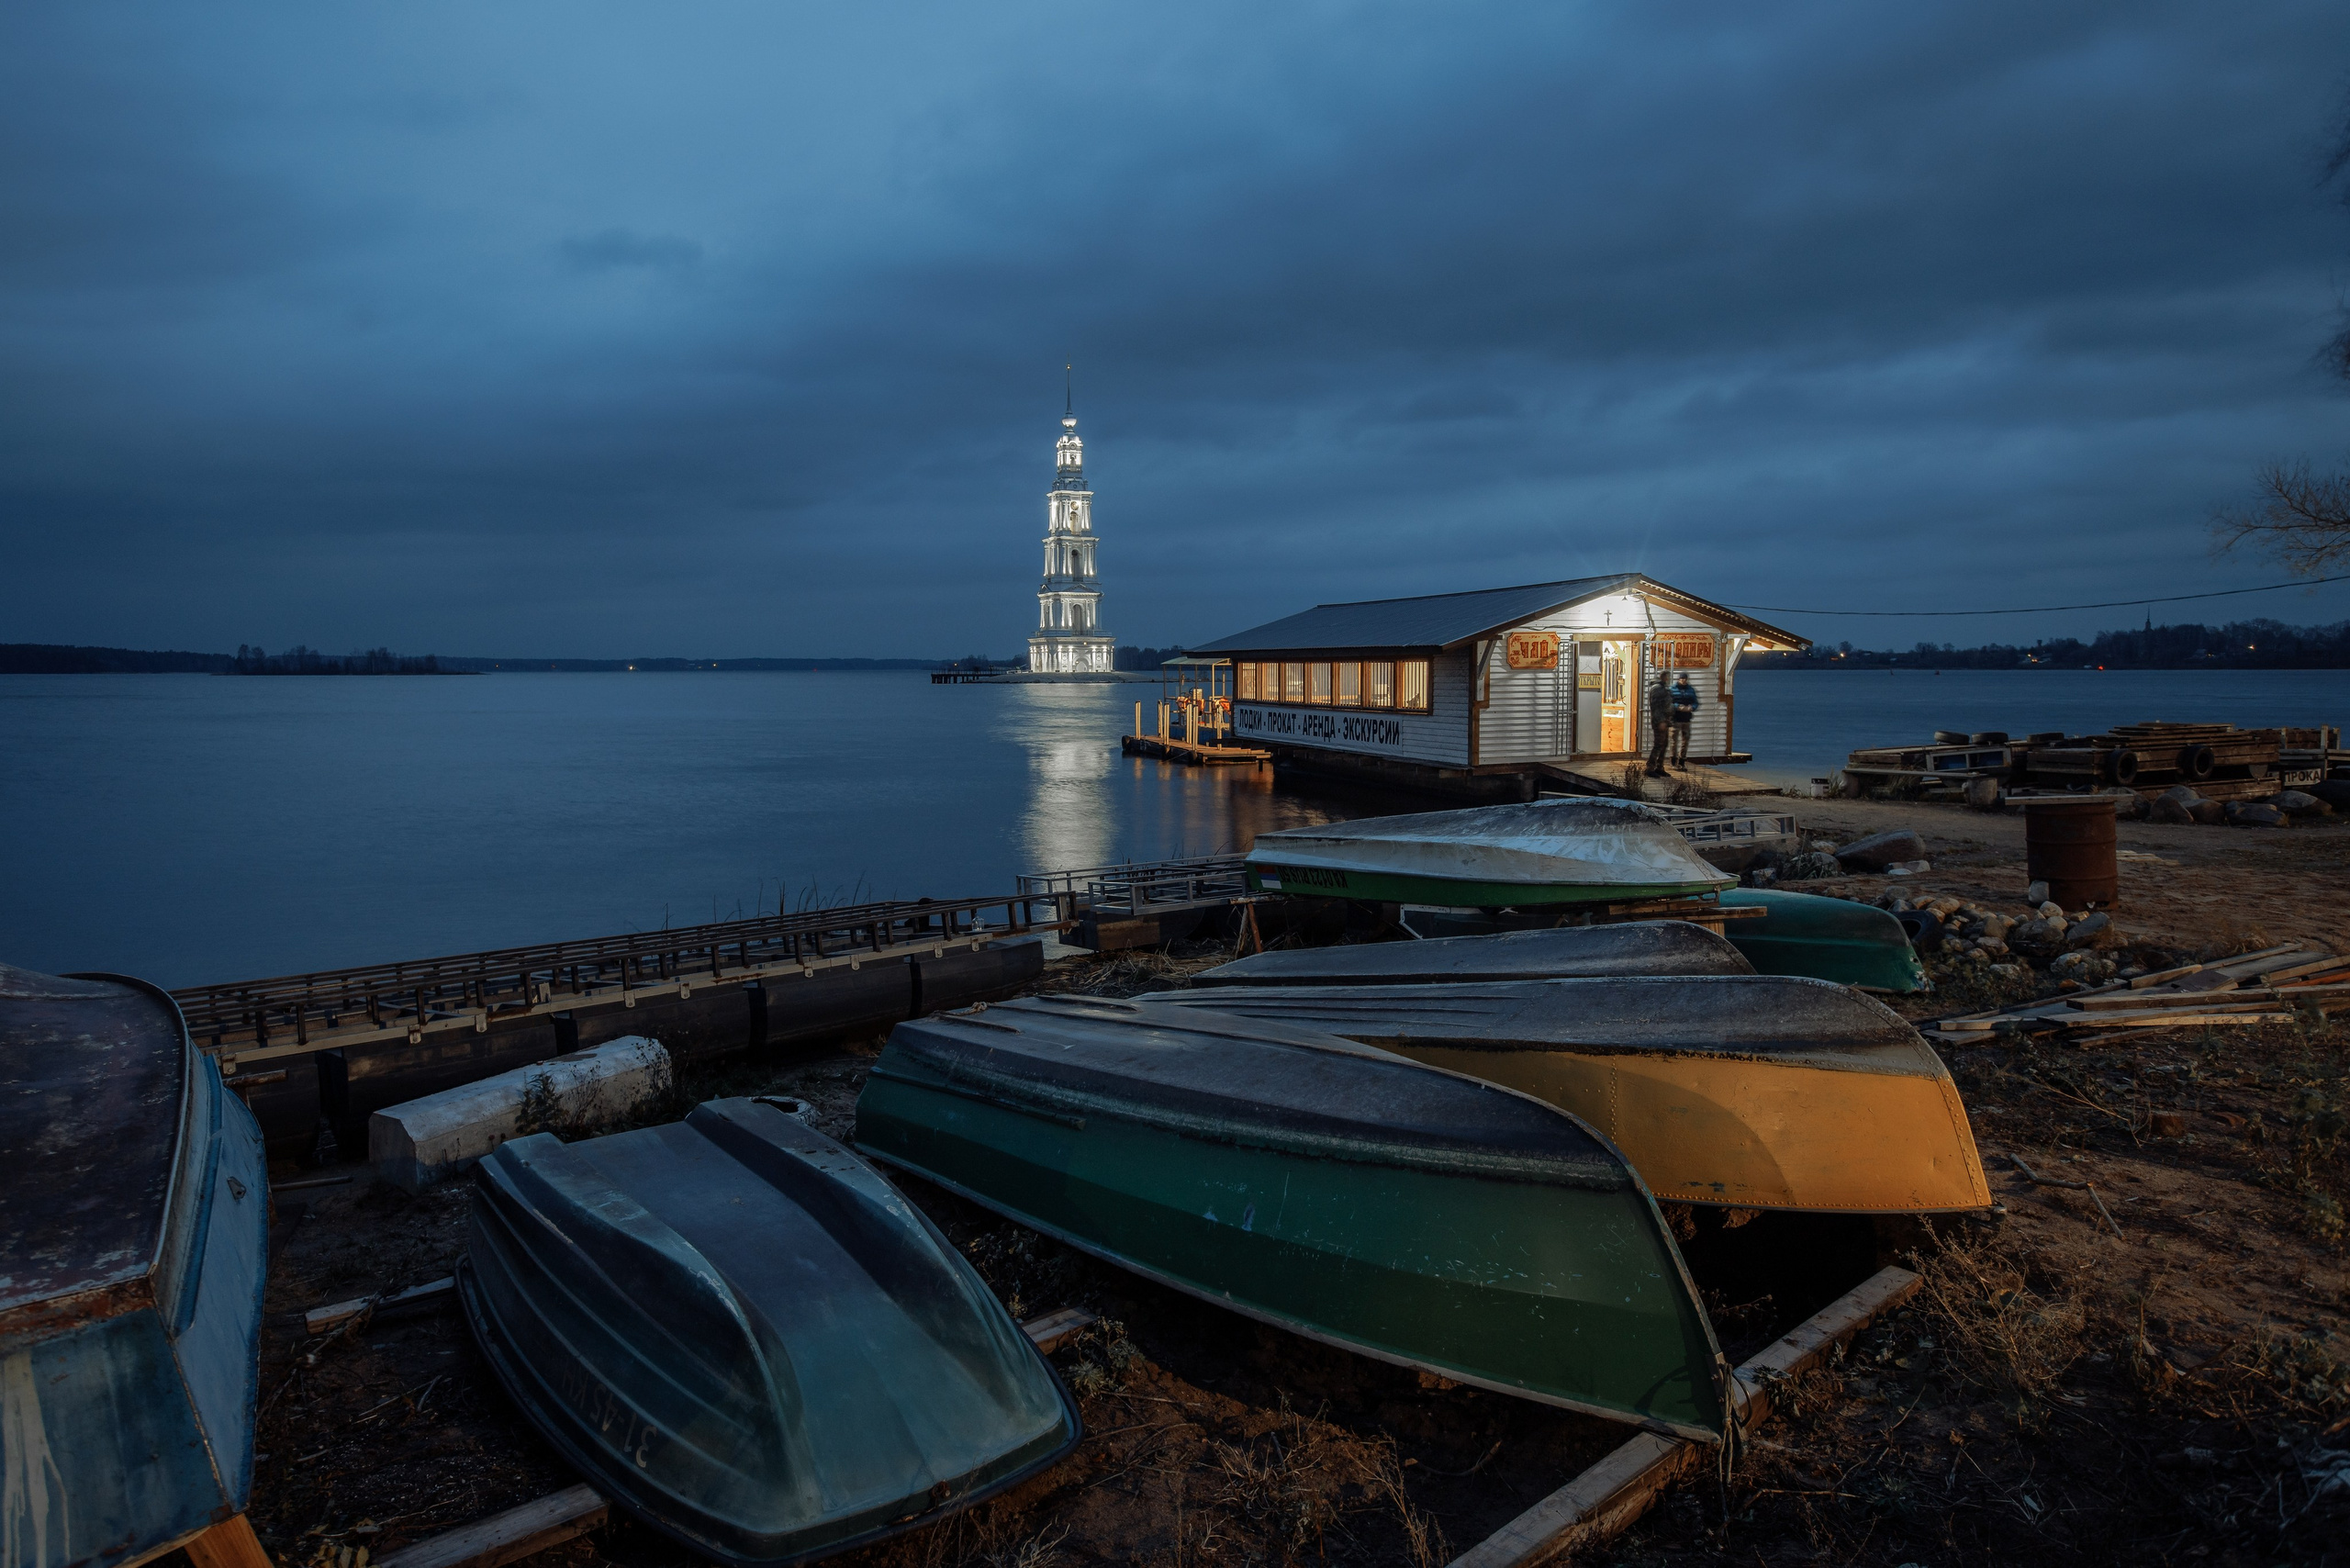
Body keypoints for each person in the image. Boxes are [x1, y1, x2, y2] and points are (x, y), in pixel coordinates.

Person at [1644, 671, 1674, 777]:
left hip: (1665, 721)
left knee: (1664, 744)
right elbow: (1656, 706)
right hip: (1659, 722)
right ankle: (1650, 768)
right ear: (1664, 677)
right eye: (1668, 677)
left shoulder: (1662, 688)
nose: (1669, 679)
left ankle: (1659, 767)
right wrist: (1661, 721)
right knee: (1658, 745)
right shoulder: (1657, 688)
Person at [1669, 670, 1699, 767]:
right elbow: (1669, 703)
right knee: (1674, 741)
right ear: (1679, 679)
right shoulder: (1672, 689)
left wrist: (1692, 707)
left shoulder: (1691, 690)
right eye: (1682, 679)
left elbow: (1695, 702)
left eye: (1685, 679)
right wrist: (1678, 707)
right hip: (1675, 719)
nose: (1683, 680)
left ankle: (1682, 760)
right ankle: (1673, 760)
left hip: (1686, 719)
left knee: (1685, 740)